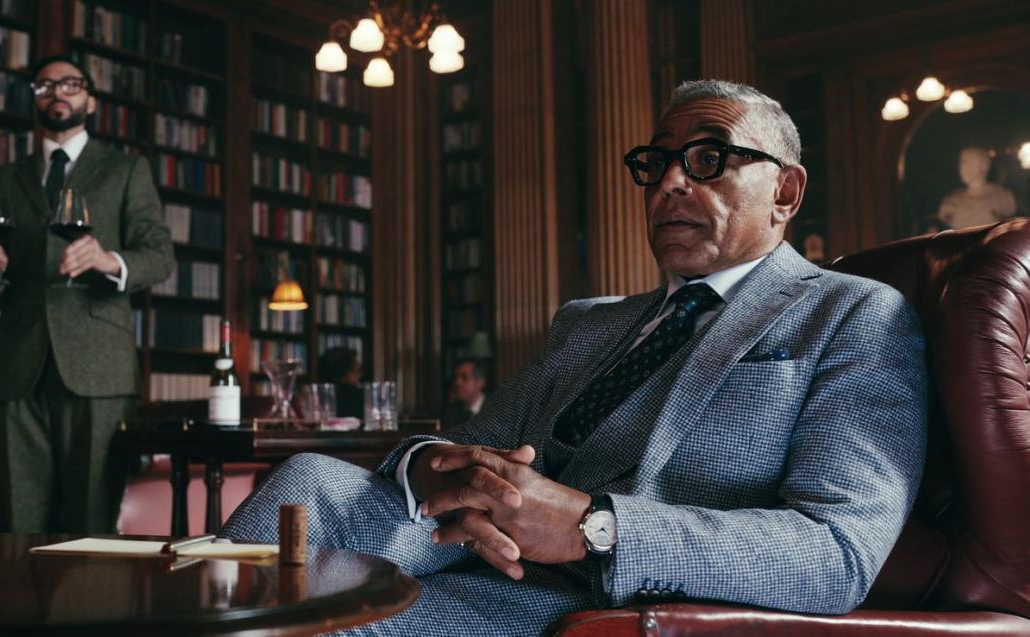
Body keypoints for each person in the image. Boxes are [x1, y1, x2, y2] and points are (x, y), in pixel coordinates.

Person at [221, 79, 927, 635]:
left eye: (709, 159)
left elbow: (837, 553)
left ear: (786, 191)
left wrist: (596, 526)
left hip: (589, 600)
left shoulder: (855, 315)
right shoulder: (589, 323)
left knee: (304, 620)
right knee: (304, 480)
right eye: (657, 165)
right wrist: (427, 461)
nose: (670, 184)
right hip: (465, 550)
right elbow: (472, 450)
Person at [0, 53, 175, 533]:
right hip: (19, 366)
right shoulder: (6, 177)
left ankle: (92, 612)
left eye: (70, 84)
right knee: (19, 524)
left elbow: (160, 256)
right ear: (34, 100)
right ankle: (18, 610)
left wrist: (106, 260)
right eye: (44, 86)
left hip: (98, 367)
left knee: (92, 523)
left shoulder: (125, 170)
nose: (56, 92)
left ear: (90, 100)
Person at [936, 146, 1017, 228]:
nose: (962, 167)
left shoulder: (1002, 196)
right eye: (961, 162)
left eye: (968, 162)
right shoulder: (952, 200)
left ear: (984, 166)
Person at [317, 346, 364, 420]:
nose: (360, 375)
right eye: (357, 371)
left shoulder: (316, 394)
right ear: (346, 372)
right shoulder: (357, 396)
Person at [440, 358, 487, 426]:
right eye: (455, 377)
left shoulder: (494, 410)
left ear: (480, 383)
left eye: (464, 377)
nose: (457, 383)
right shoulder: (450, 413)